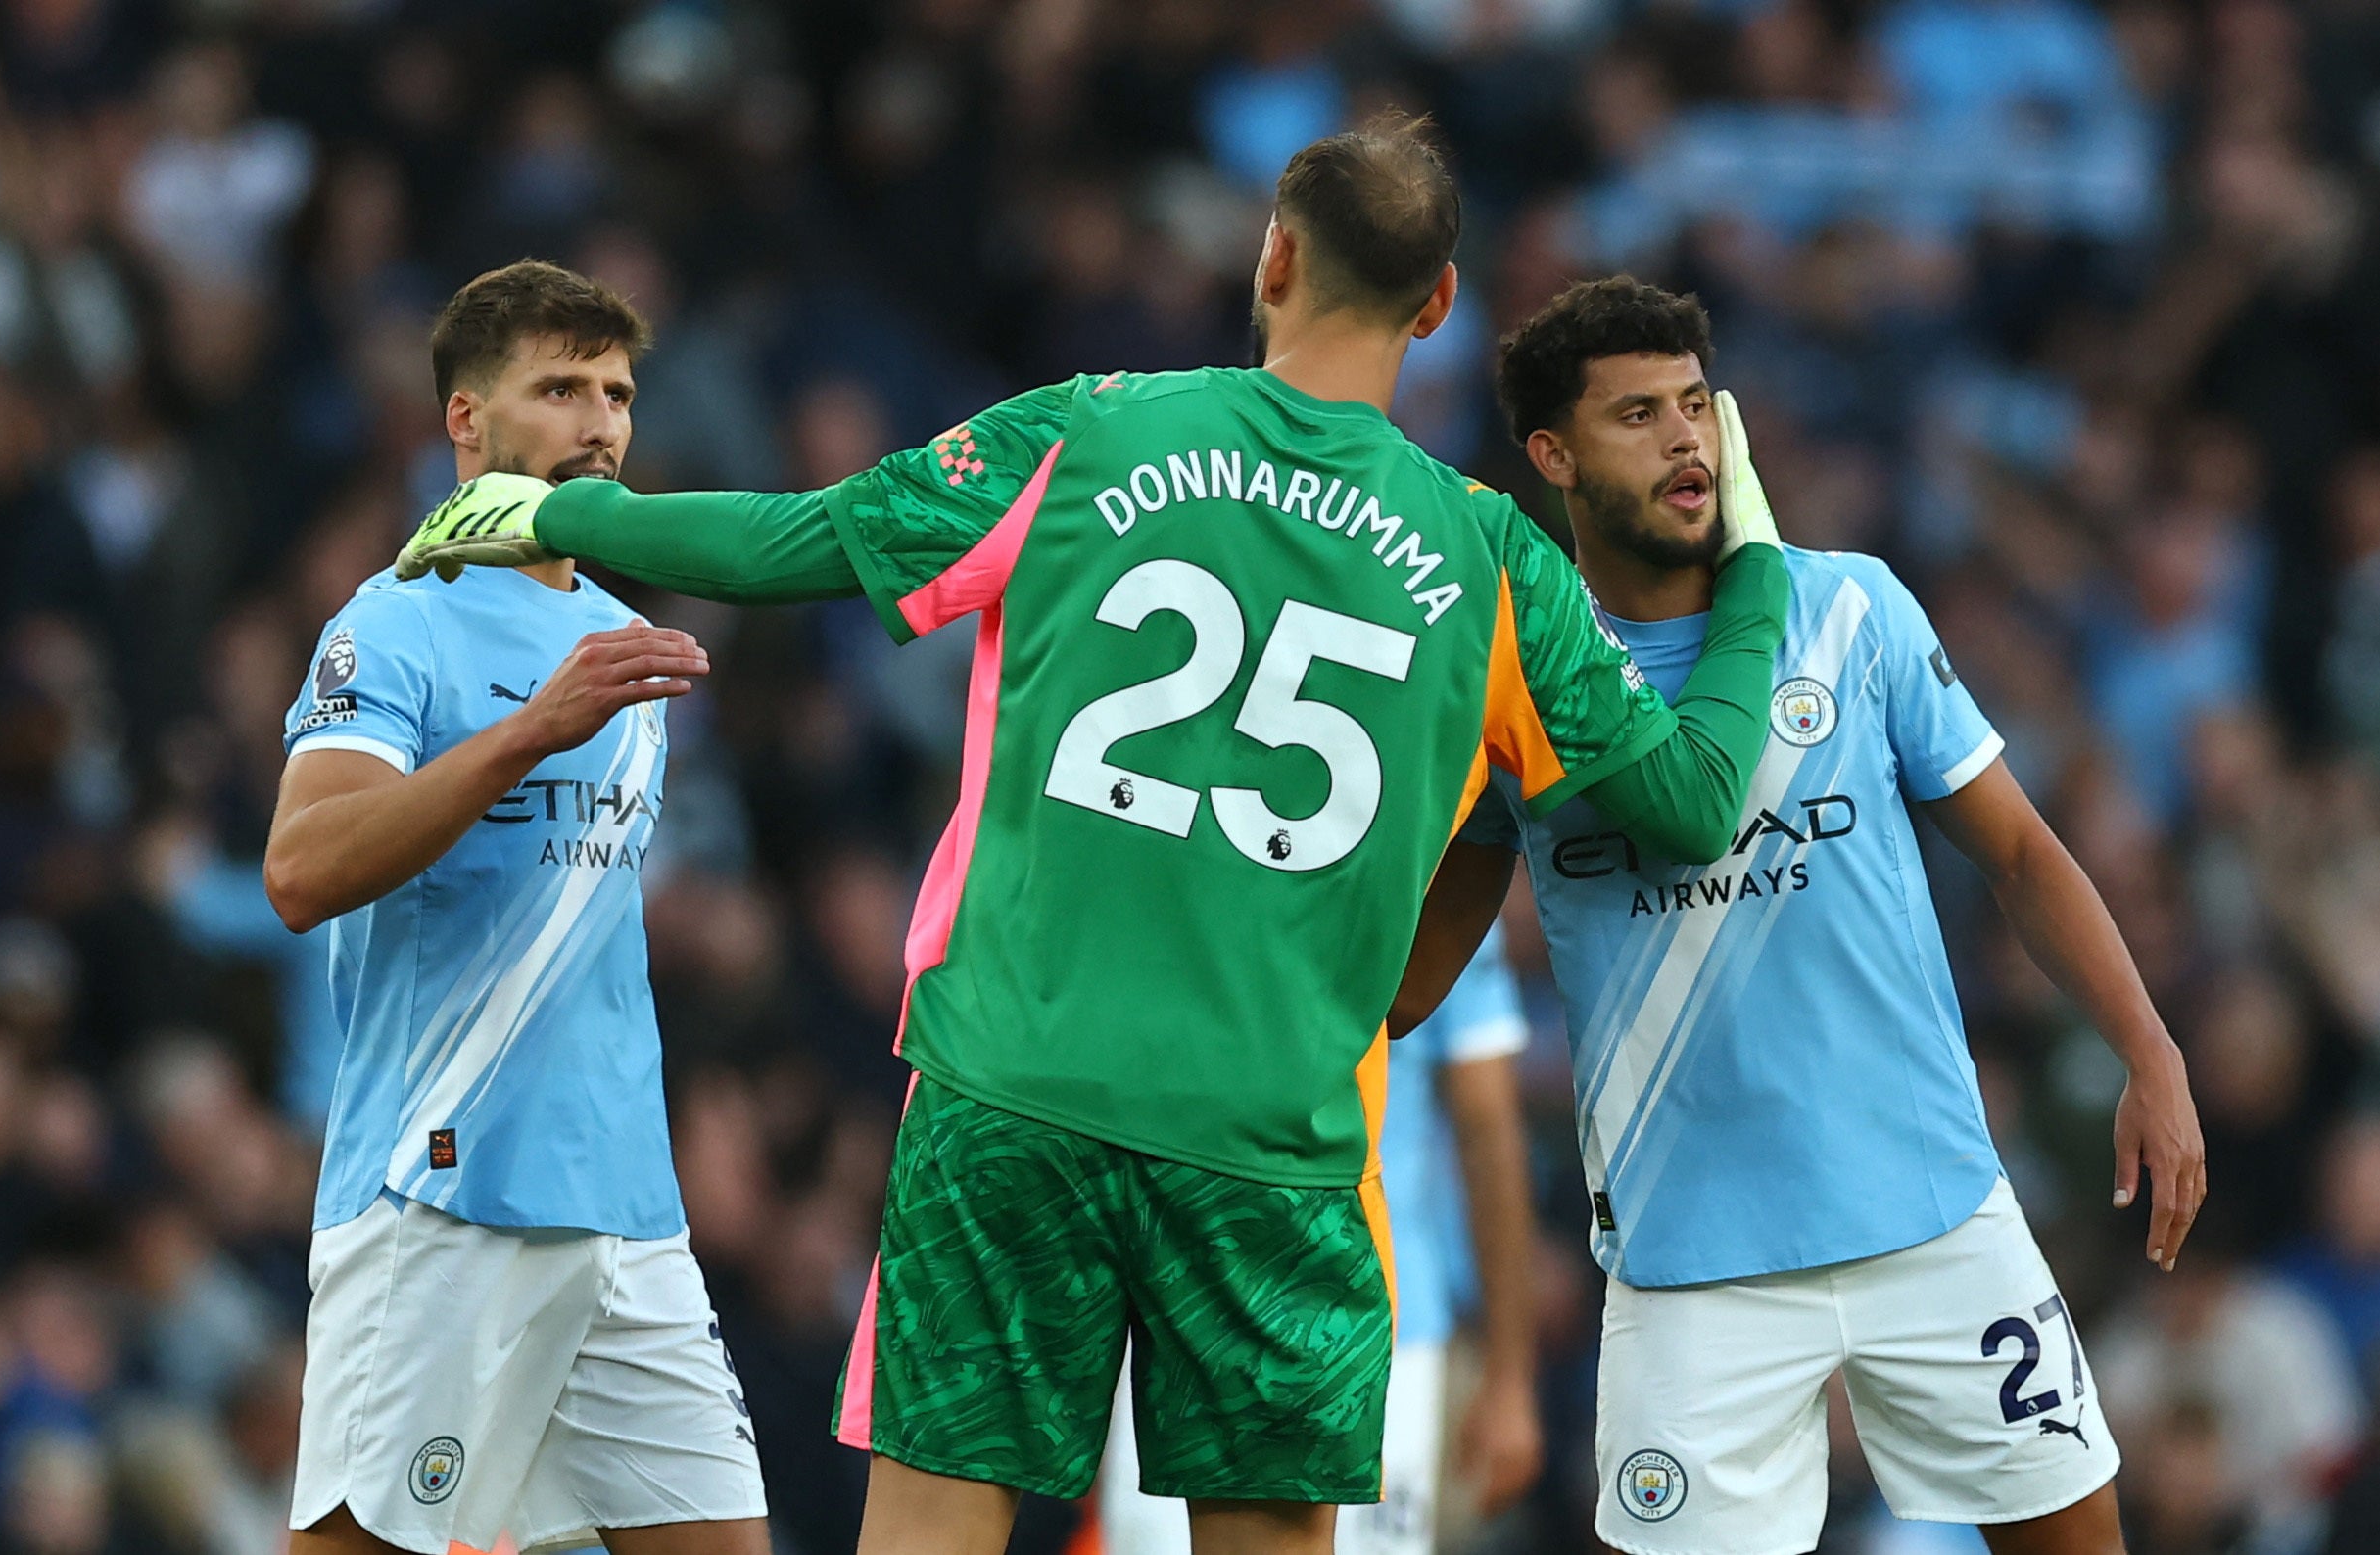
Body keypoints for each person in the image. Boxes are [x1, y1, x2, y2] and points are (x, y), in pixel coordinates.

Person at [392, 117, 1790, 1555]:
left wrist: (558, 503)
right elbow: (1686, 808)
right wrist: (1749, 568)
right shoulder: (1497, 558)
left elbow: (781, 544)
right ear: (1437, 308)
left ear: (1273, 258)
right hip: (1270, 1149)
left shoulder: (1086, 428)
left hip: (1011, 1096)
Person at [1393, 275, 2207, 1555]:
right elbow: (1406, 980)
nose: (1680, 438)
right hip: (1690, 1268)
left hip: (1932, 1215)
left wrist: (2148, 1052)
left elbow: (2018, 853)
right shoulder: (1516, 681)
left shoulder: (1849, 611)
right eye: (1632, 415)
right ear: (1549, 454)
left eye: (1689, 406)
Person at [263, 260, 767, 1555]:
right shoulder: (392, 626)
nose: (600, 419)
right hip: (443, 1193)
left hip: (625, 1211)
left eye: (617, 391)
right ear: (467, 422)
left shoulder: (618, 634)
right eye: (560, 388)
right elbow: (301, 871)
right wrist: (527, 734)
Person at [1098, 925, 1544, 1555]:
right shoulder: (1428, 849)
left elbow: (1487, 1124)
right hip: (1188, 1315)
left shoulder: (1439, 861)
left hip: (1376, 1335)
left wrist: (1509, 1378)